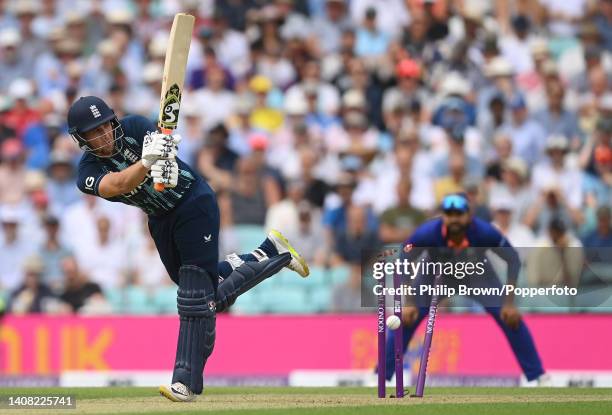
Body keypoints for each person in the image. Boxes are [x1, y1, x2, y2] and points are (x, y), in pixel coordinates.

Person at [67, 96, 309, 402]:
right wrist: (147, 163)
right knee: (204, 296)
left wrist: (164, 162)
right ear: (81, 139)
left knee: (194, 297)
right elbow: (117, 185)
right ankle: (270, 253)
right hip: (160, 219)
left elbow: (168, 156)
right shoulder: (86, 171)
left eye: (105, 125)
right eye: (94, 132)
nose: (103, 135)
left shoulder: (136, 127)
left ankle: (185, 382)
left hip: (193, 202)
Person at [383, 193, 547, 384]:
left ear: (469, 215)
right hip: (437, 275)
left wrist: (509, 303)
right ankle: (381, 376)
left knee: (511, 319)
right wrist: (409, 301)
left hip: (477, 275)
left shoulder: (485, 232)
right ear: (443, 215)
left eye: (459, 214)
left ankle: (538, 377)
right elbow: (404, 256)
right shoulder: (428, 232)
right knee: (406, 319)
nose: (454, 219)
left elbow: (513, 259)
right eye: (449, 214)